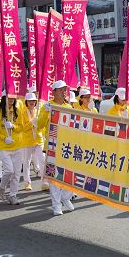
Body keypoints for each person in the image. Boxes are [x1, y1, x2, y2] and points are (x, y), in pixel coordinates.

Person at [38, 80, 74, 215]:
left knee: (69, 174)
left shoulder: (69, 107)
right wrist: (46, 112)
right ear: (53, 92)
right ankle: (56, 205)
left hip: (67, 146)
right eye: (60, 90)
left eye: (64, 89)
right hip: (52, 146)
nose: (63, 92)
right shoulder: (47, 106)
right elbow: (40, 125)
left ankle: (65, 197)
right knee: (53, 177)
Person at [0, 93, 25, 205]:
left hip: (17, 146)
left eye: (13, 98)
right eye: (9, 98)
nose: (11, 100)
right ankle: (2, 186)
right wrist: (4, 138)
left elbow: (22, 127)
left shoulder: (18, 111)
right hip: (4, 147)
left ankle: (13, 195)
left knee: (16, 173)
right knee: (9, 170)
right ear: (4, 98)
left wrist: (13, 126)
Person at [20, 92, 45, 191]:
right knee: (26, 162)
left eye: (33, 101)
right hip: (27, 141)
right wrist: (31, 123)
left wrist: (38, 124)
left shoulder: (38, 111)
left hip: (38, 139)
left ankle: (44, 181)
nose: (32, 102)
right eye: (30, 101)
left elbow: (41, 126)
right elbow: (22, 128)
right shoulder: (22, 113)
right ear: (26, 102)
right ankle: (27, 182)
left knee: (42, 160)